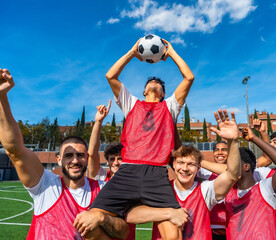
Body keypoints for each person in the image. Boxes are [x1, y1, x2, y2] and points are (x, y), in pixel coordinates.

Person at [0, 68, 129, 240]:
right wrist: (2, 97)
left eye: (80, 155)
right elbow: (14, 150)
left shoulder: (102, 188)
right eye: (68, 155)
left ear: (87, 158)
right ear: (59, 159)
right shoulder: (44, 184)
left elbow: (123, 231)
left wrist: (102, 217)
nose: (75, 160)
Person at [90, 38, 194, 240]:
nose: (154, 83)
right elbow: (110, 76)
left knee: (174, 236)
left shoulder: (170, 107)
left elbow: (188, 78)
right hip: (127, 171)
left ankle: (165, 213)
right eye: (150, 82)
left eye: (159, 84)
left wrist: (171, 52)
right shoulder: (131, 104)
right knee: (91, 221)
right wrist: (132, 52)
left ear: (163, 94)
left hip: (157, 174)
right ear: (144, 91)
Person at [151, 109, 242, 240]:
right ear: (174, 164)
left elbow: (233, 175)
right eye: (181, 163)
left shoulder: (205, 190)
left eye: (191, 164)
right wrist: (167, 214)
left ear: (199, 167)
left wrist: (233, 142)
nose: (185, 168)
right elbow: (133, 214)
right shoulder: (161, 189)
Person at [87, 101, 136, 240]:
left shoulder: (133, 181)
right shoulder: (102, 177)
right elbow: (92, 153)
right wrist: (98, 122)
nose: (116, 162)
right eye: (112, 159)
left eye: (119, 158)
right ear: (107, 161)